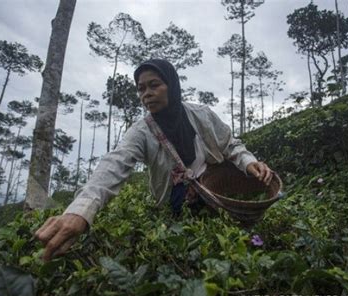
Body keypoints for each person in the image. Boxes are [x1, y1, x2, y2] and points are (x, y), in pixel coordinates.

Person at [35, 59, 273, 261]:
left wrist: (248, 161)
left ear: (172, 86)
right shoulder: (141, 131)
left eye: (154, 85)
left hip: (213, 185)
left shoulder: (200, 114)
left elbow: (229, 143)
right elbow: (114, 164)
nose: (146, 94)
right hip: (175, 201)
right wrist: (80, 210)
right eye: (141, 89)